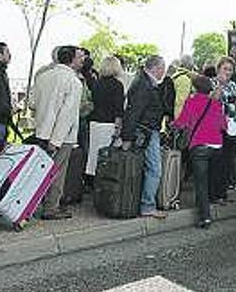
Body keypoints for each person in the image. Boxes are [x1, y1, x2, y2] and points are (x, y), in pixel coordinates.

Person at [30, 46, 84, 220]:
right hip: (61, 136)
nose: (82, 59)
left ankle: (31, 203)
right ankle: (51, 207)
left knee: (39, 170)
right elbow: (67, 115)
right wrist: (57, 140)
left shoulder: (43, 76)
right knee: (57, 172)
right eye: (79, 57)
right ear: (72, 60)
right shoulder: (74, 82)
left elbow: (32, 103)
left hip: (40, 130)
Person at [172, 75, 226, 228]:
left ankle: (205, 217)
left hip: (199, 147)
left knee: (200, 183)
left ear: (194, 88)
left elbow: (182, 122)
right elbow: (223, 126)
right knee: (209, 179)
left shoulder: (191, 102)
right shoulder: (215, 103)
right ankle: (208, 204)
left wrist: (173, 124)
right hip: (217, 147)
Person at [121, 55, 168, 219]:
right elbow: (133, 113)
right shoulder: (145, 86)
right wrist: (126, 137)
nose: (164, 72)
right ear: (156, 68)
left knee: (148, 169)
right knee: (155, 169)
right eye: (163, 68)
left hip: (145, 131)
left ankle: (143, 204)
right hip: (146, 132)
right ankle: (148, 205)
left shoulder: (143, 82)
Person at [87, 55, 126, 177]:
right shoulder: (117, 85)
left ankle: (91, 183)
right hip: (109, 124)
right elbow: (118, 109)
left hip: (94, 123)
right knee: (105, 158)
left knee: (93, 156)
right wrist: (118, 128)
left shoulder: (96, 84)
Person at [214, 56, 236, 202]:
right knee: (218, 160)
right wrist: (219, 86)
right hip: (215, 127)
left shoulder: (233, 85)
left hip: (231, 126)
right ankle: (216, 193)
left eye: (230, 69)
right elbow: (211, 102)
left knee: (229, 159)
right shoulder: (212, 83)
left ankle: (223, 192)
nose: (228, 72)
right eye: (225, 69)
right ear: (218, 69)